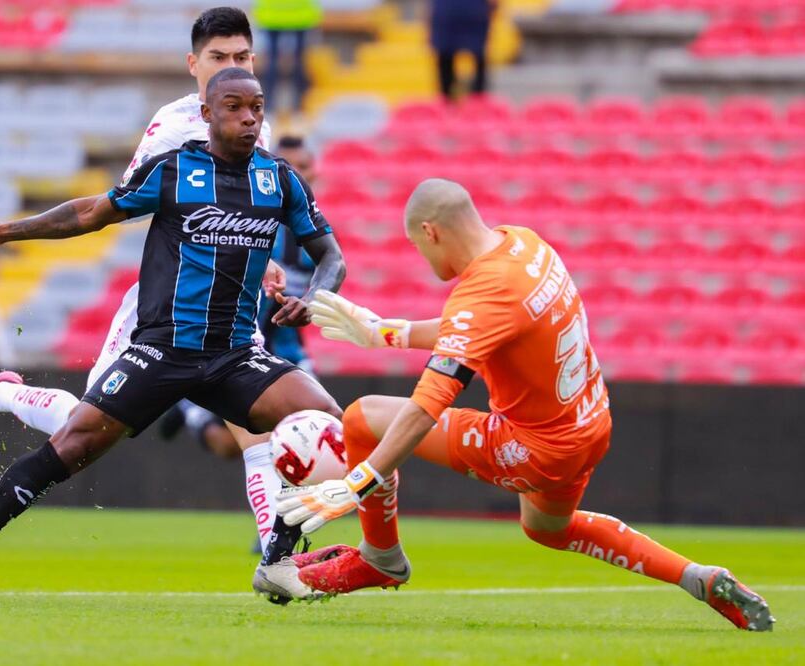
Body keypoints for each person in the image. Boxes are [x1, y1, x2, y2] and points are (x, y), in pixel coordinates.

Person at [0, 68, 347, 605]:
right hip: (162, 350)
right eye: (234, 107)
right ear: (207, 115)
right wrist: (7, 230)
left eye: (256, 108)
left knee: (326, 422)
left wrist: (317, 298)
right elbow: (91, 213)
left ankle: (278, 561)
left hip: (234, 354)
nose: (248, 119)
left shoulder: (279, 180)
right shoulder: (174, 170)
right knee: (73, 443)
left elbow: (330, 255)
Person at [276, 178, 775, 632]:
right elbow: (480, 325)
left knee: (363, 417)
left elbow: (429, 402)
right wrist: (383, 332)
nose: (423, 258)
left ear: (431, 232)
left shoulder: (485, 291)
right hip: (590, 424)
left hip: (535, 447)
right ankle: (697, 577)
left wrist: (357, 483)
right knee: (547, 528)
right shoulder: (525, 245)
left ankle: (380, 558)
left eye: (417, 246)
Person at [162, 135, 321, 460]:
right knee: (230, 446)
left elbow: (329, 276)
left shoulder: (316, 234)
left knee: (315, 431)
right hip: (236, 346)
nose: (297, 174)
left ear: (315, 172)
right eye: (290, 167)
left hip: (288, 350)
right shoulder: (247, 220)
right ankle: (191, 409)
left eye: (303, 166)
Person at [254, 0, 322, 113]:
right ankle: (300, 104)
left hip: (272, 14)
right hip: (300, 14)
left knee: (271, 61)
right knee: (300, 61)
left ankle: (269, 104)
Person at [430, 0, 495, 99]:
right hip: (458, 12)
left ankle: (477, 98)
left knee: (477, 57)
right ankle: (448, 98)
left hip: (468, 12)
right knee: (446, 58)